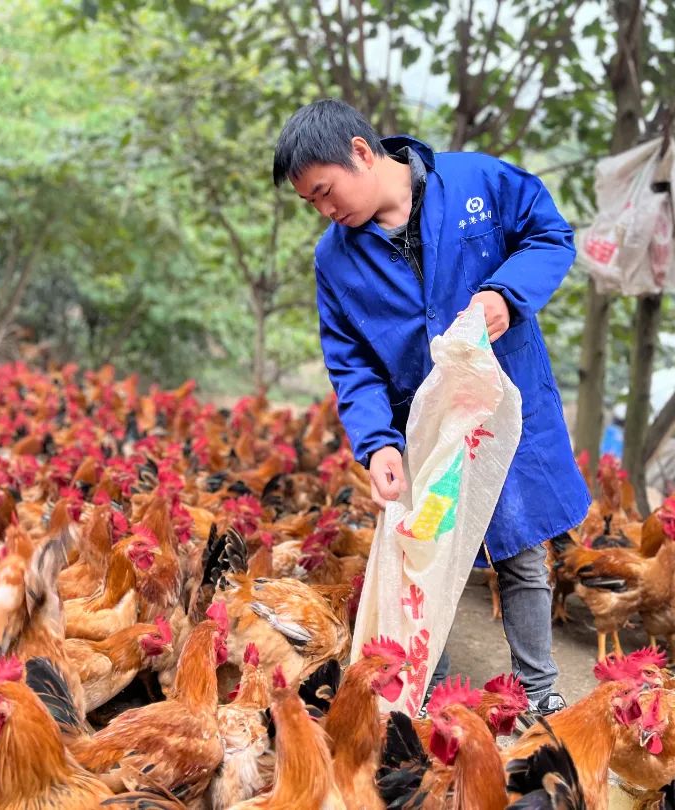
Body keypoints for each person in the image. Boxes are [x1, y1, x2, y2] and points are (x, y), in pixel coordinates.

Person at [272, 98, 590, 719]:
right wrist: (378, 442)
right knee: (424, 552)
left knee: (521, 548)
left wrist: (507, 295)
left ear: (362, 153)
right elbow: (350, 362)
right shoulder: (334, 258)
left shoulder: (479, 182)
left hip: (499, 412)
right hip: (424, 432)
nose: (325, 210)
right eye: (311, 202)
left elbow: (551, 236)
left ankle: (540, 691)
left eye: (326, 191)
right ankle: (424, 696)